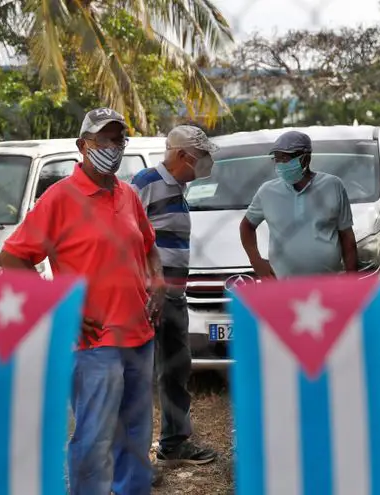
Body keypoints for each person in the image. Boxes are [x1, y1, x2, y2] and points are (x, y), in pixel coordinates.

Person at [0, 108, 165, 493]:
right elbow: (10, 258)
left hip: (139, 336)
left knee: (137, 436)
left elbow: (149, 245)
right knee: (94, 439)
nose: (113, 146)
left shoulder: (128, 194)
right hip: (94, 343)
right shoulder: (60, 198)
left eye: (119, 138)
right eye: (104, 138)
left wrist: (156, 281)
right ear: (82, 145)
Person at [130, 126, 220, 476]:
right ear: (184, 155)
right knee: (140, 376)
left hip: (175, 296)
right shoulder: (146, 182)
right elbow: (129, 237)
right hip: (148, 296)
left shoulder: (179, 189)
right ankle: (136, 460)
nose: (207, 164)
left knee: (176, 370)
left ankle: (175, 443)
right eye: (203, 157)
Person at [239, 130, 358, 278]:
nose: (281, 164)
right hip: (283, 286)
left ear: (306, 158)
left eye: (286, 158)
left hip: (328, 282)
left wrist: (352, 280)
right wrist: (256, 261)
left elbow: (347, 237)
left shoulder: (333, 186)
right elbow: (246, 226)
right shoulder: (267, 192)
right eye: (277, 159)